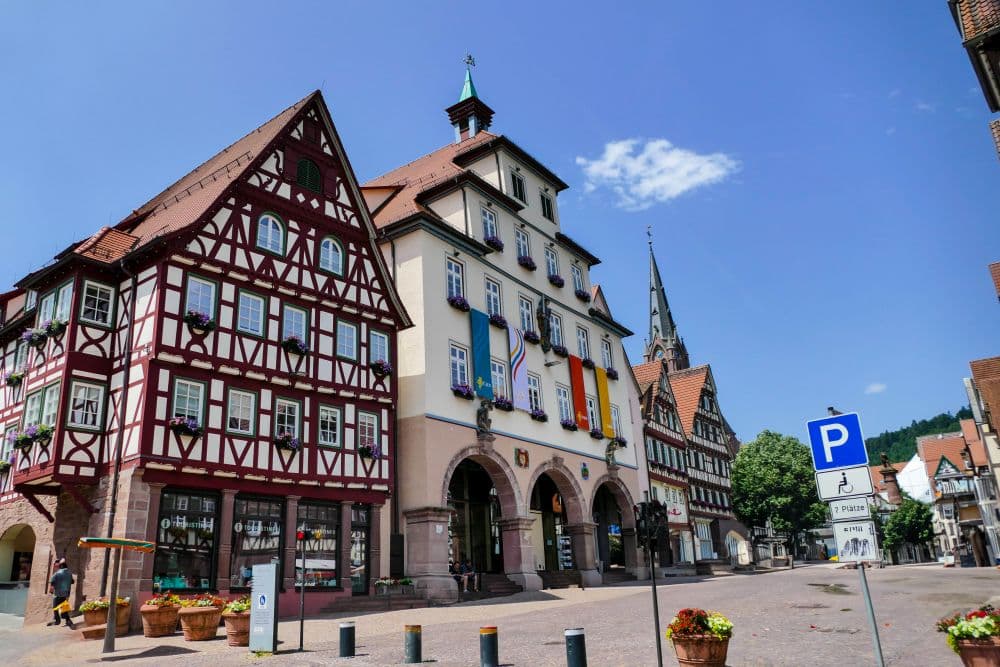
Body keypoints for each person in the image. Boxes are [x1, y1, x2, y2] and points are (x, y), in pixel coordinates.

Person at [48, 559, 75, 629]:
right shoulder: (69, 573)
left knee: (55, 607)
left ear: (60, 566)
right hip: (66, 594)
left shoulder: (57, 574)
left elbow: (52, 585)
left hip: (58, 594)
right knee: (63, 608)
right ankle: (68, 621)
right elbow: (72, 582)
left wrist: (51, 590)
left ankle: (58, 620)